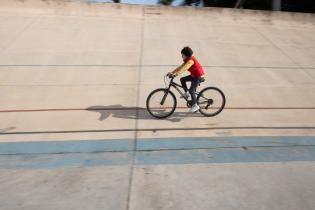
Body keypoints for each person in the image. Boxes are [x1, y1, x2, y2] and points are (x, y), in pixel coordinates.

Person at [168, 46, 205, 113]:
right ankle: (186, 93)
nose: (182, 56)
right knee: (182, 79)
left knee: (192, 90)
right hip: (194, 75)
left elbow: (184, 68)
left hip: (198, 76)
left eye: (182, 55)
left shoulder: (190, 61)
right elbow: (180, 67)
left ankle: (195, 105)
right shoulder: (187, 60)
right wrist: (172, 72)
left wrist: (176, 74)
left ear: (186, 55)